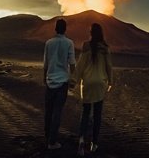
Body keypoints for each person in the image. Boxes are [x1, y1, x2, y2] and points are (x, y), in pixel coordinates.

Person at [73, 22, 114, 156]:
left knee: (85, 113)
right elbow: (109, 67)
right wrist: (110, 81)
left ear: (91, 33)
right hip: (100, 84)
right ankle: (94, 144)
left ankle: (81, 140)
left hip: (88, 83)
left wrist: (75, 80)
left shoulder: (86, 46)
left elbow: (80, 66)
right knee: (97, 115)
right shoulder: (105, 48)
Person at [43, 18, 75, 150]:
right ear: (65, 29)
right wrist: (73, 78)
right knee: (57, 112)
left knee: (48, 111)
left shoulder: (49, 43)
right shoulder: (69, 43)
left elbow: (46, 63)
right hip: (62, 82)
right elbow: (72, 63)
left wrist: (44, 78)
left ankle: (47, 137)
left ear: (55, 28)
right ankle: (52, 142)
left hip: (50, 81)